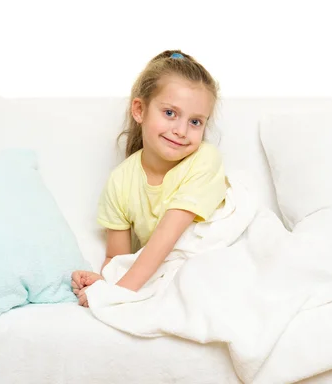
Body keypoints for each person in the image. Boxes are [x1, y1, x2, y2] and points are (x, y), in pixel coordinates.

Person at [71, 50, 226, 307]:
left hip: (213, 260)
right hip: (161, 271)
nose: (181, 131)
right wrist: (102, 283)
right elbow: (118, 259)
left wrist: (114, 295)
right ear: (139, 110)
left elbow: (167, 237)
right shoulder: (120, 181)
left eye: (196, 121)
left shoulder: (204, 159)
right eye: (170, 113)